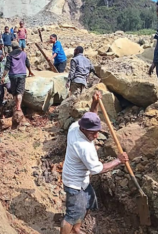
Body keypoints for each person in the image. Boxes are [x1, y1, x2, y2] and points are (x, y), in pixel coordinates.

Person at [61, 91, 129, 234]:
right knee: (71, 215)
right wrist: (118, 160)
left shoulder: (75, 126)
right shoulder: (83, 146)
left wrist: (95, 103)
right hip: (74, 184)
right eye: (93, 133)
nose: (96, 135)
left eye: (98, 131)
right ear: (83, 129)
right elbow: (98, 170)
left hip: (82, 180)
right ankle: (69, 229)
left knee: (87, 204)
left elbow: (91, 116)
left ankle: (76, 229)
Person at [2, 41, 34, 112]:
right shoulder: (23, 53)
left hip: (13, 75)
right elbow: (27, 63)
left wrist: (3, 76)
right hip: (22, 74)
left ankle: (15, 105)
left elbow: (7, 66)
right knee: (20, 91)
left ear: (12, 47)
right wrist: (30, 71)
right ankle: (18, 107)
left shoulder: (10, 55)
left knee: (14, 91)